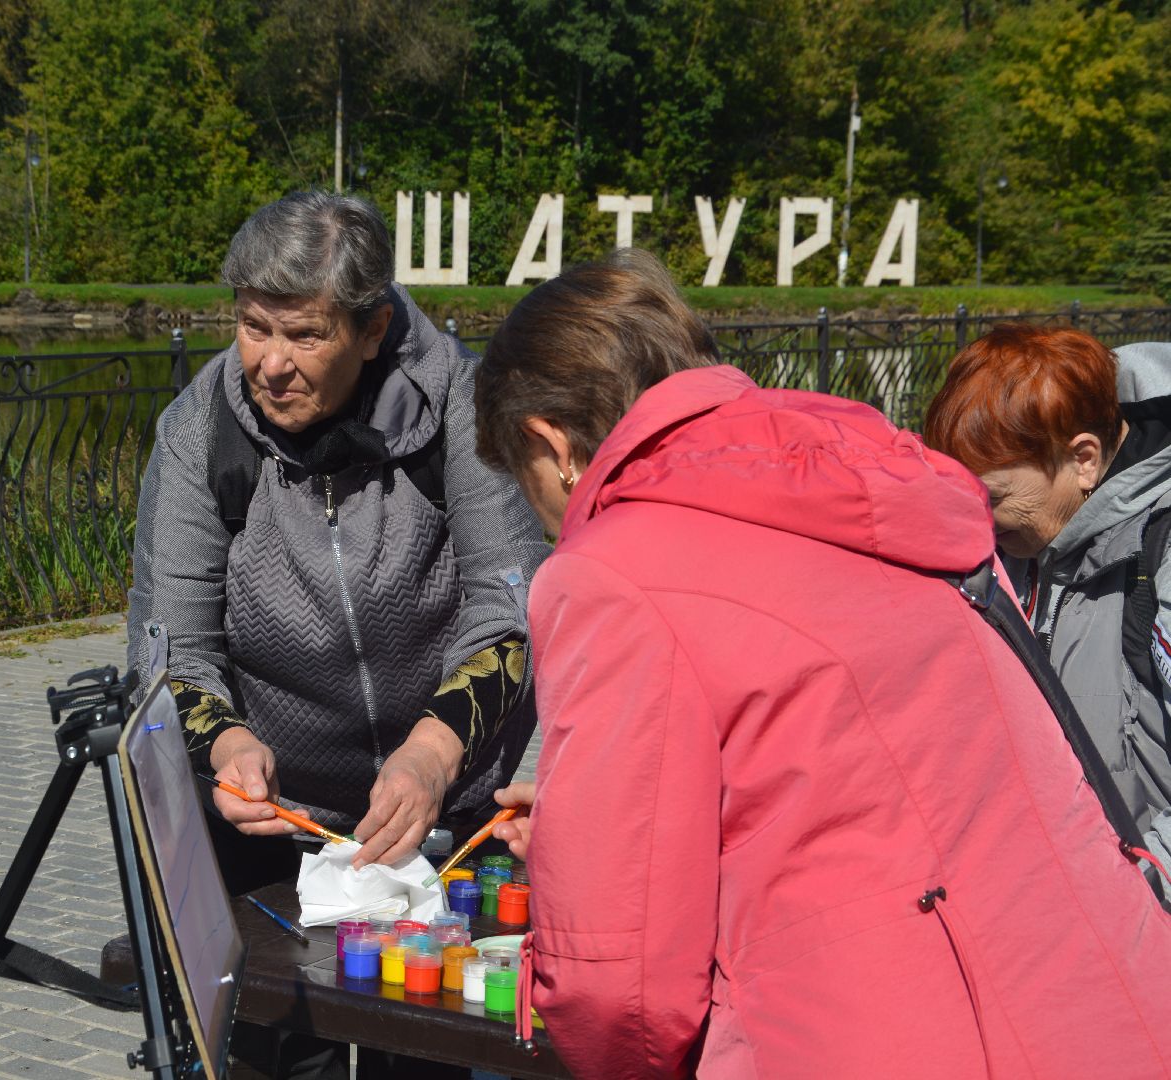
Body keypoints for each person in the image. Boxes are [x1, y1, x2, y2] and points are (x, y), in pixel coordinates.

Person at [472, 252, 1171, 1079]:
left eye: (529, 488)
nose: (551, 521)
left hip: (871, 1035)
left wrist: (588, 868)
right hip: (1100, 1002)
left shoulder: (611, 571)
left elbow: (621, 992)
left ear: (550, 445)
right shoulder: (875, 484)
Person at [127, 191, 548, 1077]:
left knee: (421, 1051)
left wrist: (434, 753)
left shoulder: (464, 408)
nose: (270, 364)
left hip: (441, 812)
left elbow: (509, 613)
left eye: (305, 335)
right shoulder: (199, 429)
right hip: (277, 828)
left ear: (371, 327)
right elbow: (172, 647)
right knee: (276, 1055)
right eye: (252, 328)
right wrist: (225, 741)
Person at [924, 328, 1171, 870]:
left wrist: (1134, 891)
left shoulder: (1160, 553)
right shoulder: (1017, 546)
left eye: (992, 497)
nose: (974, 519)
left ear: (1083, 458)